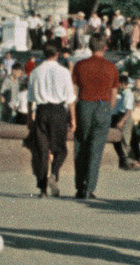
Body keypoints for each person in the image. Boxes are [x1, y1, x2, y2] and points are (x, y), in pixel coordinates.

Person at [70, 34, 120, 199]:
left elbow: (73, 90)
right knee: (96, 148)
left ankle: (79, 186)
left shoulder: (80, 65)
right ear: (105, 47)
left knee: (81, 145)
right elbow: (114, 92)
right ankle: (90, 187)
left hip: (84, 104)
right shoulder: (111, 67)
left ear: (90, 47)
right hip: (103, 105)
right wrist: (108, 108)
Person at [26, 42, 74, 197]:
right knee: (60, 149)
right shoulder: (64, 72)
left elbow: (30, 98)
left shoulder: (35, 72)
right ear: (57, 54)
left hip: (41, 110)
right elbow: (70, 97)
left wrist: (29, 117)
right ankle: (53, 174)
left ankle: (42, 188)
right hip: (58, 111)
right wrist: (73, 118)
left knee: (42, 150)